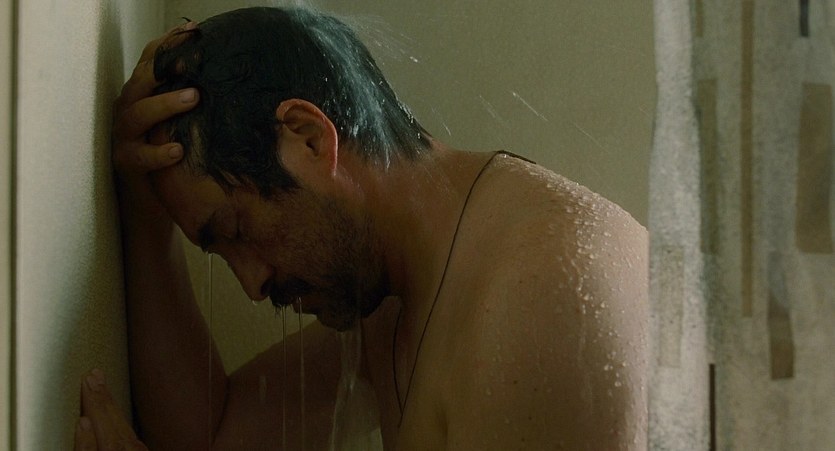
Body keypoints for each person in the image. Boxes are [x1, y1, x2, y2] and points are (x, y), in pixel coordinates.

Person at [75, 7, 648, 450]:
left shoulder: (540, 300)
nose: (252, 284)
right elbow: (214, 435)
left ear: (308, 139)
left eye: (236, 232)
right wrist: (144, 209)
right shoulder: (397, 292)